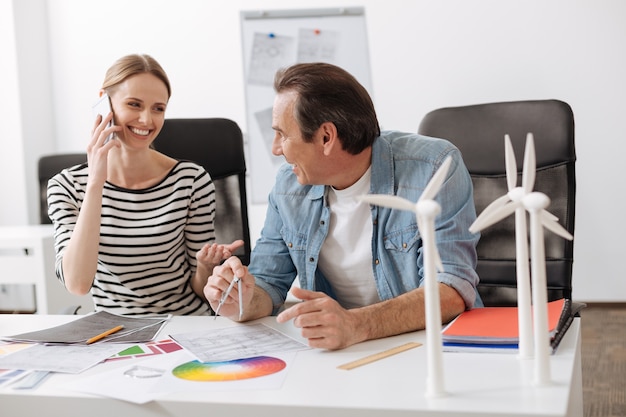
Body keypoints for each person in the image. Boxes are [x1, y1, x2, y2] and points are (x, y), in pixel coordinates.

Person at [205, 62, 481, 348]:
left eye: (283, 134)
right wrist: (241, 298)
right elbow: (267, 282)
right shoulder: (288, 187)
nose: (276, 148)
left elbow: (451, 288)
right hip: (341, 351)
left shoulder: (434, 167)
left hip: (429, 348)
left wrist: (357, 324)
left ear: (326, 137)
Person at [48, 54, 243, 316]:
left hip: (186, 325)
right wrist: (95, 183)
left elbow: (200, 290)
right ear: (104, 102)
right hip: (117, 331)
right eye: (134, 104)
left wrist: (205, 267)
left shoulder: (191, 180)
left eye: (158, 108)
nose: (146, 120)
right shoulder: (67, 186)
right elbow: (78, 284)